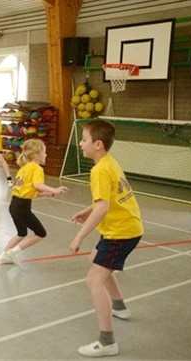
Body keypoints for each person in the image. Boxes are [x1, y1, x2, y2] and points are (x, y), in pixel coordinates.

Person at [69, 119, 143, 357]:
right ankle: (119, 306)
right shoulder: (109, 162)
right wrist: (88, 210)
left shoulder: (99, 170)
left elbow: (102, 208)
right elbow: (105, 202)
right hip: (123, 228)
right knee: (96, 261)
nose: (81, 144)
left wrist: (79, 236)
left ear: (98, 144)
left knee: (94, 280)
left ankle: (107, 342)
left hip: (121, 232)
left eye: (84, 139)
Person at [0, 139, 69, 265]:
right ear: (36, 155)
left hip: (14, 205)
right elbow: (38, 184)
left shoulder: (24, 168)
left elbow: (29, 190)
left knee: (21, 233)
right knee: (41, 233)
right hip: (22, 208)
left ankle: (2, 257)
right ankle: (13, 252)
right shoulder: (36, 168)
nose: (46, 155)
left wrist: (46, 193)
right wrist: (55, 189)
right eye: (44, 152)